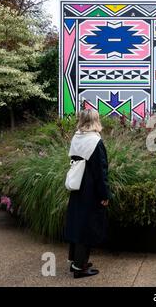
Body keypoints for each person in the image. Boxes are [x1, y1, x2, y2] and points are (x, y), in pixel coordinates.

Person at [64, 109, 111, 278]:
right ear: (95, 120)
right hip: (90, 189)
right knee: (87, 226)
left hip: (77, 186)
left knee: (78, 223)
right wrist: (105, 195)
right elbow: (101, 172)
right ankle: (79, 268)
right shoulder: (95, 142)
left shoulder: (77, 137)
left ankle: (76, 261)